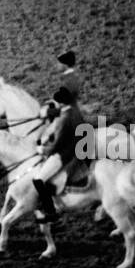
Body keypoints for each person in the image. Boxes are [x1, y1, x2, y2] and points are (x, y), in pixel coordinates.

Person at [30, 87, 91, 217]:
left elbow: (58, 143)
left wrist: (43, 149)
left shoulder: (64, 119)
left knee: (38, 180)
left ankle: (51, 210)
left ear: (61, 103)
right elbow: (60, 113)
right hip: (73, 148)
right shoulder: (72, 110)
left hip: (62, 155)